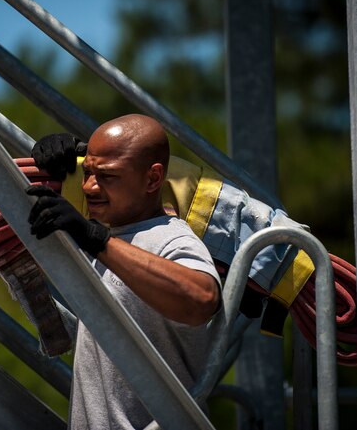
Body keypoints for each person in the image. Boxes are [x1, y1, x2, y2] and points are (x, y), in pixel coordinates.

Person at [25, 113, 221, 430]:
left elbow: (201, 299)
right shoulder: (115, 240)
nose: (89, 186)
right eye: (87, 172)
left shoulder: (171, 238)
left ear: (153, 179)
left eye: (108, 176)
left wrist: (94, 238)